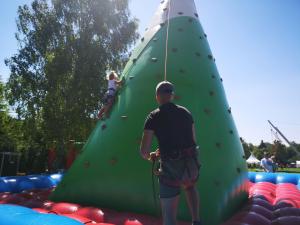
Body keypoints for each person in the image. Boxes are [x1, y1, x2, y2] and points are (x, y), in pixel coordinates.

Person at [140, 81, 202, 225]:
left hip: (170, 168)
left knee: (169, 219)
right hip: (191, 164)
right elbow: (193, 140)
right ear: (172, 95)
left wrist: (152, 156)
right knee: (190, 186)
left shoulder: (153, 117)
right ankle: (196, 220)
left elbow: (144, 151)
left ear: (157, 96)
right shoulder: (186, 112)